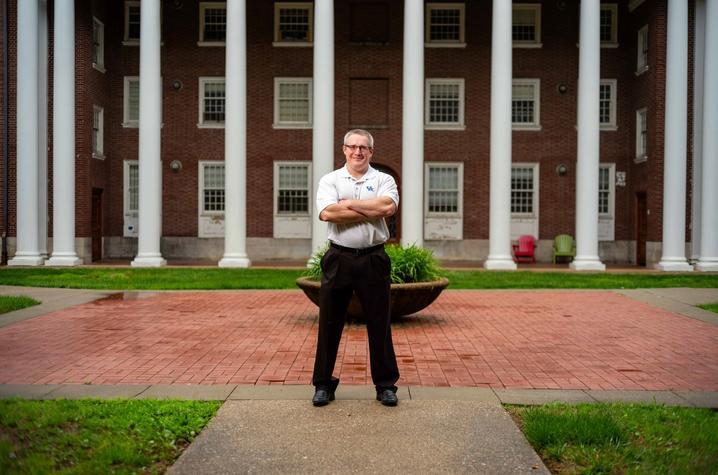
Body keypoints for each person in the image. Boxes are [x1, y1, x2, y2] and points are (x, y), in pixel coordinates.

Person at [312, 129, 400, 407]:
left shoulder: (384, 179)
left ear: (371, 152)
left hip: (374, 258)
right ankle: (323, 384)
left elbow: (387, 208)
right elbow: (328, 213)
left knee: (379, 322)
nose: (358, 152)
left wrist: (348, 203)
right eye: (353, 147)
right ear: (344, 150)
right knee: (329, 322)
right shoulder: (331, 179)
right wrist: (368, 209)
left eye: (364, 147)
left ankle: (386, 385)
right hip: (339, 258)